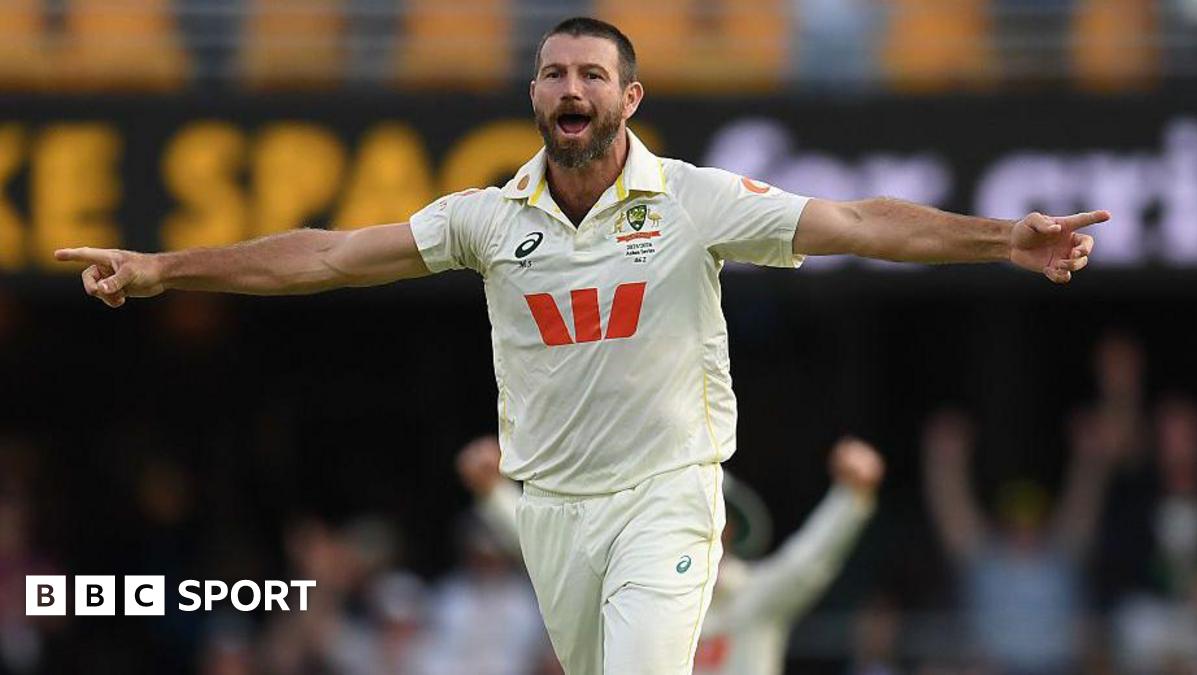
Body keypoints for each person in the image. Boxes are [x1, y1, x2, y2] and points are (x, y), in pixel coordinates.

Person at [55, 16, 1104, 674]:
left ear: (628, 98)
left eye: (593, 75)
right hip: (553, 510)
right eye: (554, 73)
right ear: (534, 96)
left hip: (668, 493)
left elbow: (862, 222)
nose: (572, 89)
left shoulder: (692, 200)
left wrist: (998, 239)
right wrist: (162, 269)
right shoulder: (485, 219)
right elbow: (326, 256)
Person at [458, 435, 884, 675]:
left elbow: (811, 559)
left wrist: (852, 496)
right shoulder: (630, 586)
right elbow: (557, 553)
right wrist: (493, 492)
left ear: (729, 528)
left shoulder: (754, 596)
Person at [922, 409, 1117, 674]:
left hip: (1057, 668)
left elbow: (1083, 506)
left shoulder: (1060, 560)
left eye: (1031, 522)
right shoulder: (986, 561)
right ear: (1002, 524)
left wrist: (1090, 458)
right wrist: (944, 461)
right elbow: (952, 512)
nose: (1023, 531)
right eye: (1015, 523)